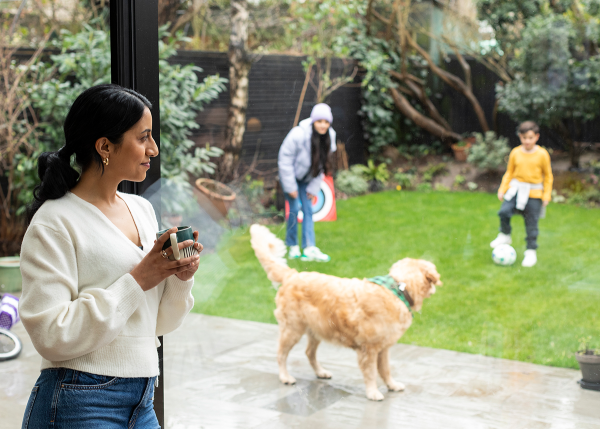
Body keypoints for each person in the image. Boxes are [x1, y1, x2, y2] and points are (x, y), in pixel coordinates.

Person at [18, 84, 203, 428]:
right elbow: (50, 335)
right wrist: (138, 279)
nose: (154, 148)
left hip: (142, 399)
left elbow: (156, 325)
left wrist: (179, 279)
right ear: (104, 146)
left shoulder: (141, 209)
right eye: (143, 137)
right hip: (79, 400)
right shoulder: (54, 222)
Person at [278, 103, 337, 262]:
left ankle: (309, 247)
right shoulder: (298, 134)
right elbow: (285, 159)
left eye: (326, 122)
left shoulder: (330, 136)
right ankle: (293, 246)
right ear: (313, 121)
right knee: (294, 209)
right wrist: (290, 187)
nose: (323, 125)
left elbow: (324, 164)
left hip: (308, 178)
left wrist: (314, 187)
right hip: (291, 176)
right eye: (319, 121)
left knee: (308, 210)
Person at [490, 120, 553, 267]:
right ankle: (505, 235)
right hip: (516, 190)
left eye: (530, 138)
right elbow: (509, 172)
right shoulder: (515, 153)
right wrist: (502, 189)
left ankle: (531, 252)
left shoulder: (542, 154)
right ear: (520, 137)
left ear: (536, 137)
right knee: (504, 212)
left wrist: (546, 195)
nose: (527, 141)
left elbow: (548, 176)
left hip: (534, 193)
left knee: (531, 224)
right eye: (524, 138)